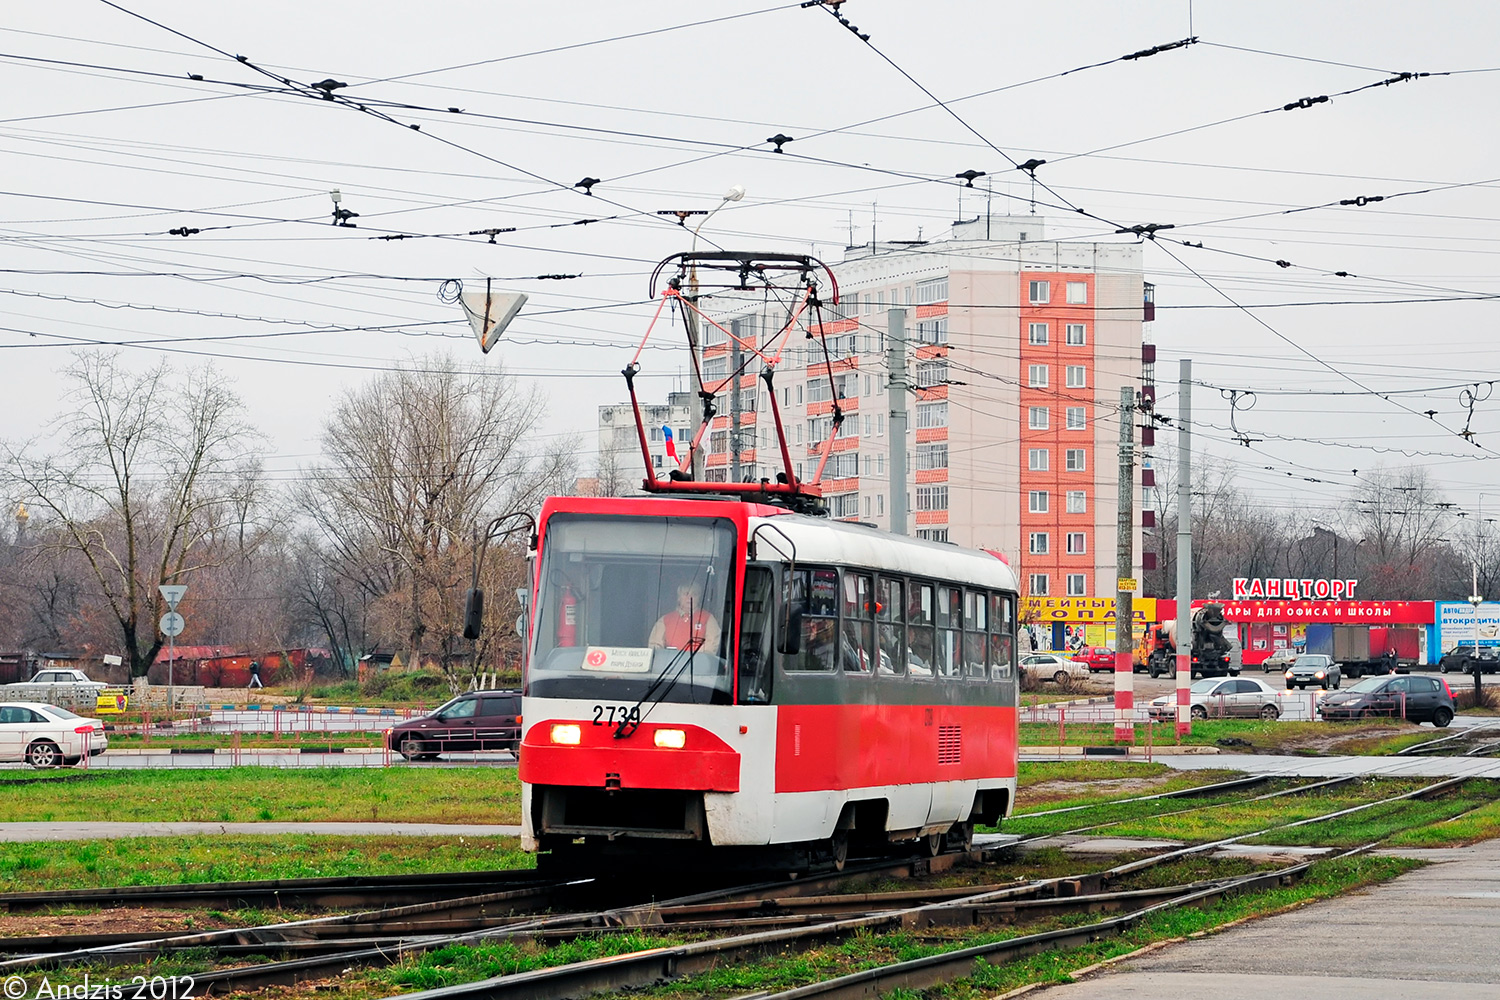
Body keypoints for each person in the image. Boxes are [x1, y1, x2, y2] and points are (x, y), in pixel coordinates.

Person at [648, 581, 721, 653]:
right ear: (679, 598)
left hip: (697, 663)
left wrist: (693, 657)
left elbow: (711, 646)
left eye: (694, 594)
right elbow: (655, 646)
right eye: (686, 594)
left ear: (699, 598)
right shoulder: (665, 620)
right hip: (670, 663)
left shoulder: (708, 618)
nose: (690, 597)